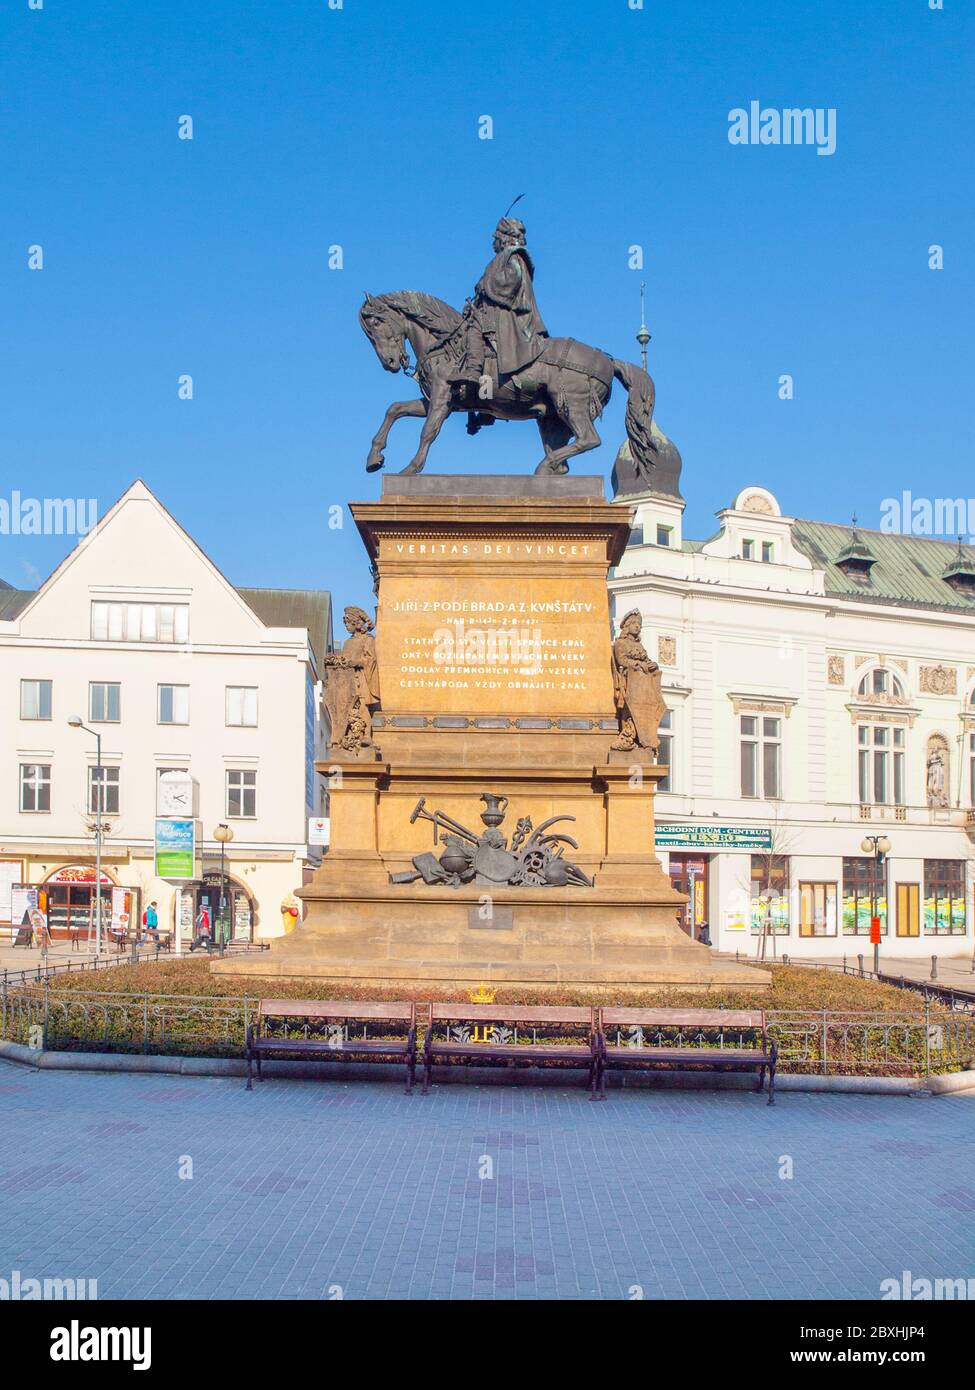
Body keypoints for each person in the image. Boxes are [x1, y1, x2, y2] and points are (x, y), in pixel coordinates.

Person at [450, 216, 548, 392]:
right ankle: (485, 393)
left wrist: (484, 285)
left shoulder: (514, 256)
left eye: (495, 239)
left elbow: (510, 282)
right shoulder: (505, 257)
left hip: (510, 314)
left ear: (503, 239)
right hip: (499, 309)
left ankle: (473, 372)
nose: (493, 243)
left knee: (475, 326)